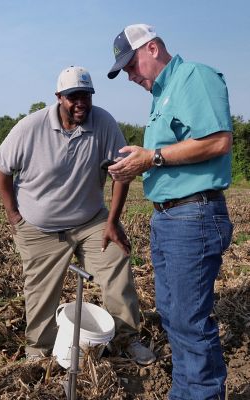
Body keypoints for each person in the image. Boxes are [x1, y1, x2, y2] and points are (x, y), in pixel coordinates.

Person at [0, 66, 155, 366]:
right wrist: (13, 214)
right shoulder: (31, 127)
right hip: (40, 227)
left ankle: (127, 338)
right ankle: (39, 351)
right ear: (59, 98)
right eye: (73, 96)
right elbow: (1, 167)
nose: (81, 103)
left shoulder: (103, 123)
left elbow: (121, 173)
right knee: (40, 292)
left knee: (116, 263)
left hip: (90, 221)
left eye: (86, 96)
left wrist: (113, 221)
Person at [107, 24, 233, 399]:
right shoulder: (160, 95)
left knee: (189, 323)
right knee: (174, 317)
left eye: (131, 65)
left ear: (154, 48)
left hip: (192, 215)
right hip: (170, 217)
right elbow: (168, 154)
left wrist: (153, 157)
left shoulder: (193, 76)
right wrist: (140, 161)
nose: (129, 75)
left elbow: (217, 140)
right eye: (124, 71)